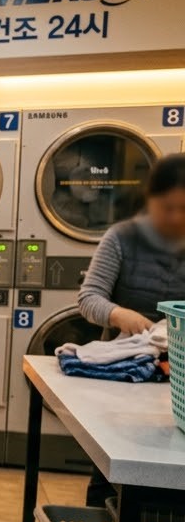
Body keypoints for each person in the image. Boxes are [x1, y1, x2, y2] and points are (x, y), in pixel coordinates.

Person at [77, 152, 185, 503]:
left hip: (177, 375)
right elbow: (89, 298)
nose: (176, 217)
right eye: (167, 207)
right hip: (123, 371)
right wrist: (121, 315)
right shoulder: (122, 237)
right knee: (113, 460)